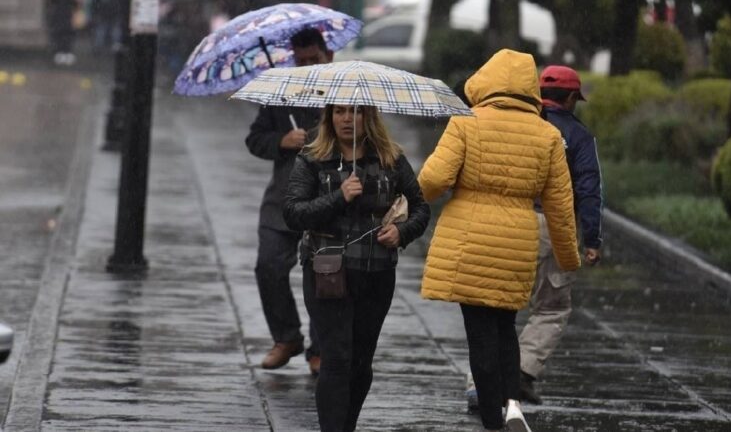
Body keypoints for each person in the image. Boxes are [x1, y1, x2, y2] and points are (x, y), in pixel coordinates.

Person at [418, 49, 581, 432]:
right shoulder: (548, 135)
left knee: (479, 335)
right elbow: (560, 205)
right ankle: (512, 407)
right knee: (506, 327)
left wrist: (413, 199)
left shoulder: (466, 122)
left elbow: (434, 179)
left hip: (469, 240)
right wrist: (568, 257)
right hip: (517, 241)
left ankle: (492, 419)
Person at [283, 104, 429, 432]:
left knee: (361, 362)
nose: (347, 119)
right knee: (336, 358)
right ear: (329, 117)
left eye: (356, 112)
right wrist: (340, 196)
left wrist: (402, 232)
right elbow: (293, 213)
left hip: (376, 272)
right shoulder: (312, 159)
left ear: (369, 117)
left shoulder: (391, 158)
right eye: (339, 112)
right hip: (327, 270)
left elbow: (420, 207)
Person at [245, 28, 333, 375]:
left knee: (326, 274)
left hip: (328, 200)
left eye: (314, 59)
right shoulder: (280, 93)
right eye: (301, 60)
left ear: (328, 56)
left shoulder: (344, 94)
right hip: (282, 199)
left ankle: (321, 348)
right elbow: (255, 139)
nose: (308, 65)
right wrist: (282, 140)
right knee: (268, 266)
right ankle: (286, 337)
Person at [517, 65, 603, 403]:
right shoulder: (579, 136)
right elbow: (589, 189)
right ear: (570, 99)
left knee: (495, 306)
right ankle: (522, 372)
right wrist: (593, 239)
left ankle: (480, 383)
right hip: (555, 226)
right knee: (551, 307)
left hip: (512, 221)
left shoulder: (520, 124)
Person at [46, 0, 82, 66]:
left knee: (59, 38)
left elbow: (49, 3)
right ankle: (67, 53)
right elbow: (77, 5)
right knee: (67, 39)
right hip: (67, 22)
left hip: (58, 22)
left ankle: (60, 53)